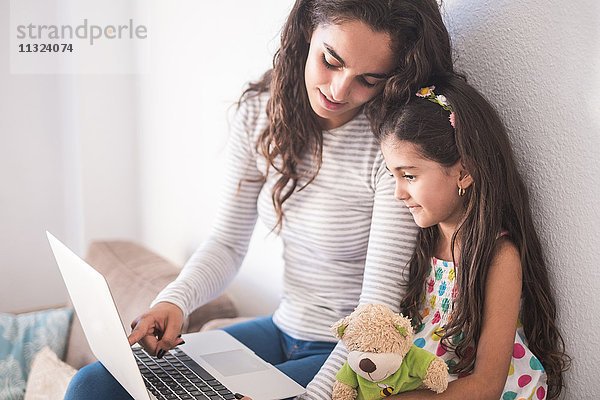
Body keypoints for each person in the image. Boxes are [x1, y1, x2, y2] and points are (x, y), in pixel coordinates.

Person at [64, 0, 455, 399]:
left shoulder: (390, 149)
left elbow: (377, 310)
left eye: (367, 80)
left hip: (348, 355)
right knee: (92, 384)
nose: (339, 90)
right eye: (331, 60)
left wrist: (313, 397)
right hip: (281, 327)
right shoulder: (261, 113)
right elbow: (227, 243)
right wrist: (174, 303)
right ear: (307, 30)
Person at [375, 75, 570, 399]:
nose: (398, 193)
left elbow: (486, 385)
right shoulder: (419, 241)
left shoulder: (498, 257)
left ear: (464, 172)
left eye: (408, 175)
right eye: (392, 175)